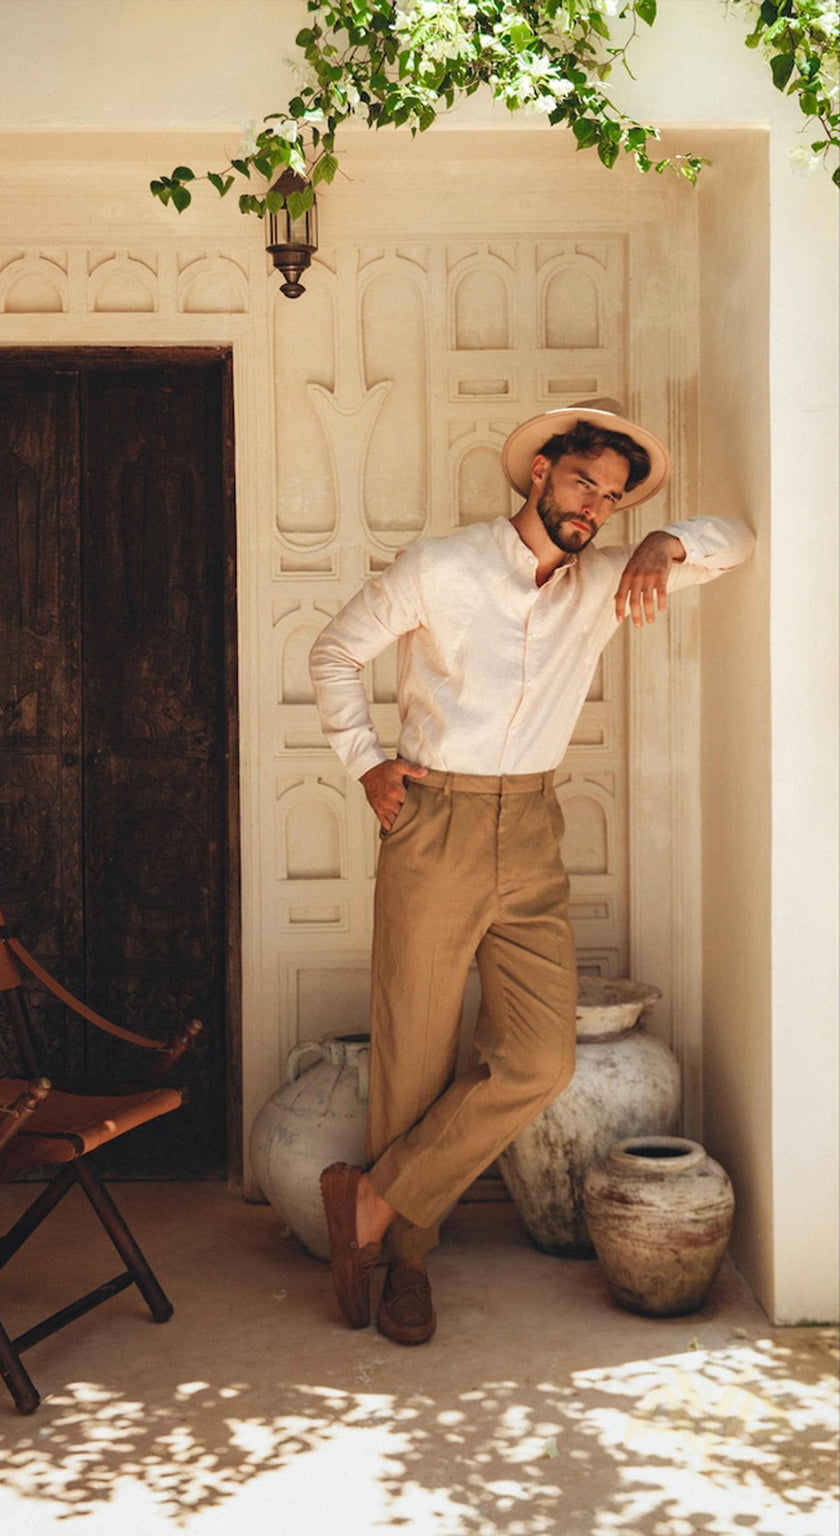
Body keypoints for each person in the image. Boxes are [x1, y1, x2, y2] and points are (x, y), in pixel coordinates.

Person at [308, 400, 754, 1346]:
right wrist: (366, 763)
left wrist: (664, 544)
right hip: (435, 820)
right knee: (415, 1055)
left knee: (540, 1060)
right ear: (542, 471)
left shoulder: (603, 582)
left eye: (614, 498)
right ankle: (408, 1264)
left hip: (534, 828)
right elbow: (336, 651)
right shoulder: (443, 565)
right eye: (584, 480)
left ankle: (372, 1203)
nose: (595, 505)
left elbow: (740, 541)